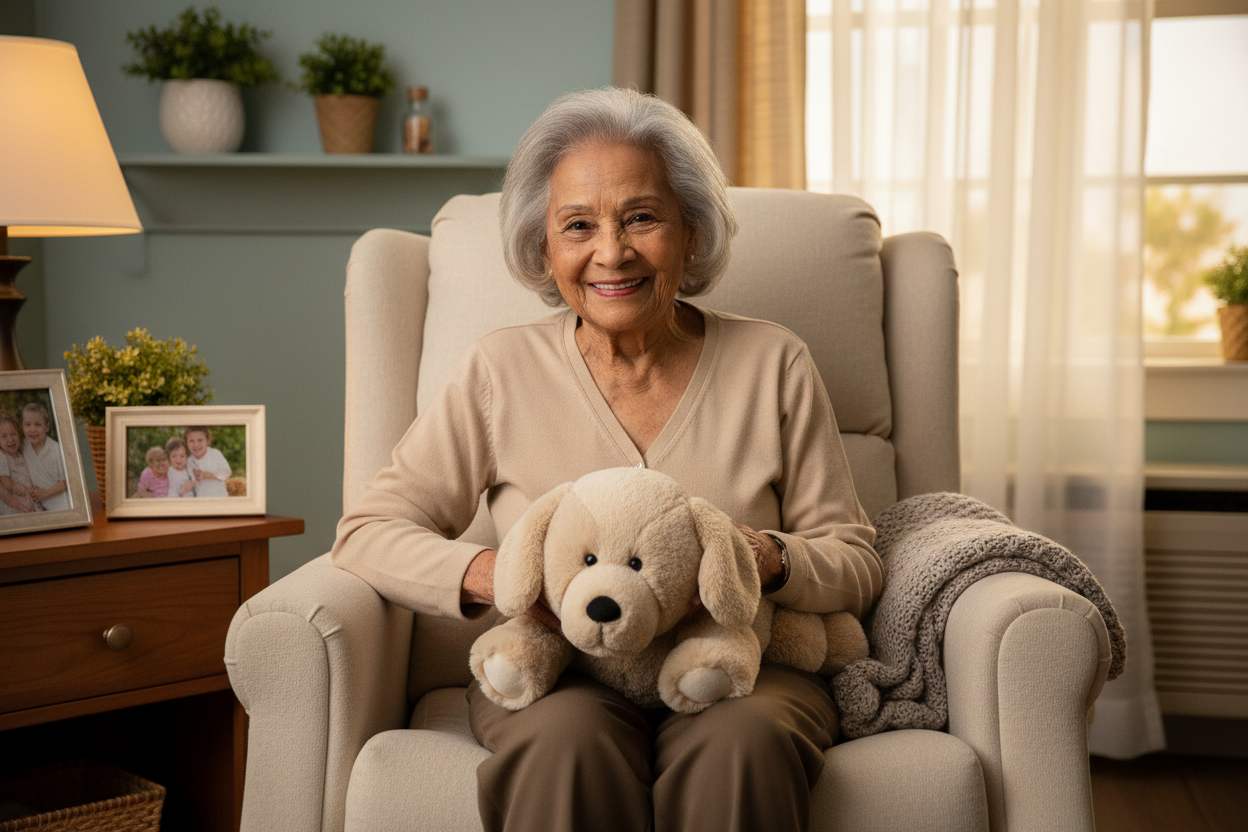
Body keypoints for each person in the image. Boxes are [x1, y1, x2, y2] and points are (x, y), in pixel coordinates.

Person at [331, 87, 881, 832]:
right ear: (543, 246)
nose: (611, 252)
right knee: (566, 744)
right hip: (562, 675)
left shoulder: (772, 361)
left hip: (736, 669)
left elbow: (854, 558)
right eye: (578, 225)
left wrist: (760, 559)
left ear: (690, 231)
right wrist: (500, 575)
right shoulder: (501, 369)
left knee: (741, 744)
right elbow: (367, 528)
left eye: (642, 218)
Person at [21, 402, 69, 511]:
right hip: (37, 507)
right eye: (27, 425)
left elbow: (67, 481)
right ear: (22, 426)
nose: (32, 429)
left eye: (38, 425)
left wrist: (46, 493)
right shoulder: (23, 446)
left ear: (47, 427)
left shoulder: (56, 450)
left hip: (60, 506)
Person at [0, 411, 39, 514]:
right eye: (4, 436)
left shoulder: (22, 452)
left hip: (30, 496)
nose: (11, 439)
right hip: (16, 502)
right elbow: (7, 484)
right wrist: (25, 490)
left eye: (13, 434)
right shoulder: (2, 457)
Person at [184, 426, 230, 498]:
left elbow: (227, 473)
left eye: (200, 440)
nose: (196, 445)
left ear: (208, 441)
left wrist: (210, 475)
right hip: (201, 499)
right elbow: (193, 481)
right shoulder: (189, 461)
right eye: (191, 441)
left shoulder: (215, 454)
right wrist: (194, 480)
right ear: (186, 443)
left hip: (219, 497)